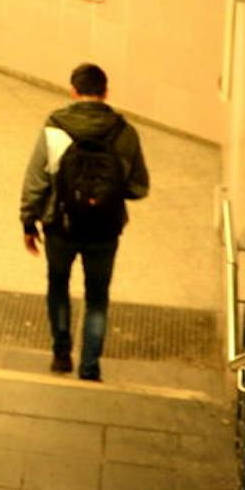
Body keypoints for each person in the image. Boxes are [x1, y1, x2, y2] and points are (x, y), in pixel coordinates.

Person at [19, 63, 149, 381]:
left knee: (58, 286)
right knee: (97, 298)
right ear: (105, 92)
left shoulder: (54, 129)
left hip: (60, 226)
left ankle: (61, 356)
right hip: (104, 230)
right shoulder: (125, 132)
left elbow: (36, 181)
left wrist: (28, 222)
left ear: (73, 91)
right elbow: (138, 187)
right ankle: (90, 367)